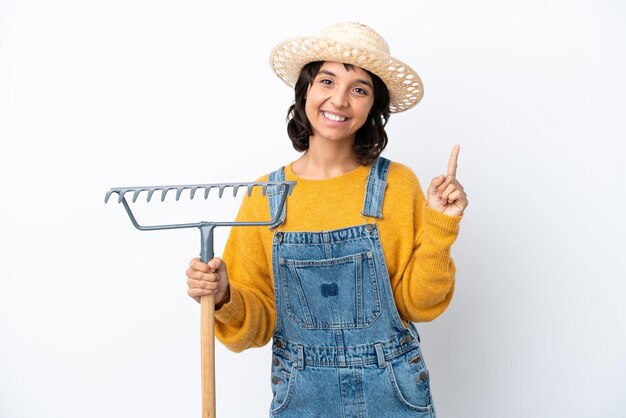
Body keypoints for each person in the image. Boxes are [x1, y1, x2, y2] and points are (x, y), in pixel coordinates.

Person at [185, 21, 468, 417]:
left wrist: (441, 225)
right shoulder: (266, 196)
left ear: (374, 106)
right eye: (327, 81)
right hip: (303, 400)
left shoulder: (397, 185)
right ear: (305, 91)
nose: (338, 100)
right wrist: (224, 295)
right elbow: (253, 329)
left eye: (359, 89)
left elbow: (419, 305)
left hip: (393, 393)